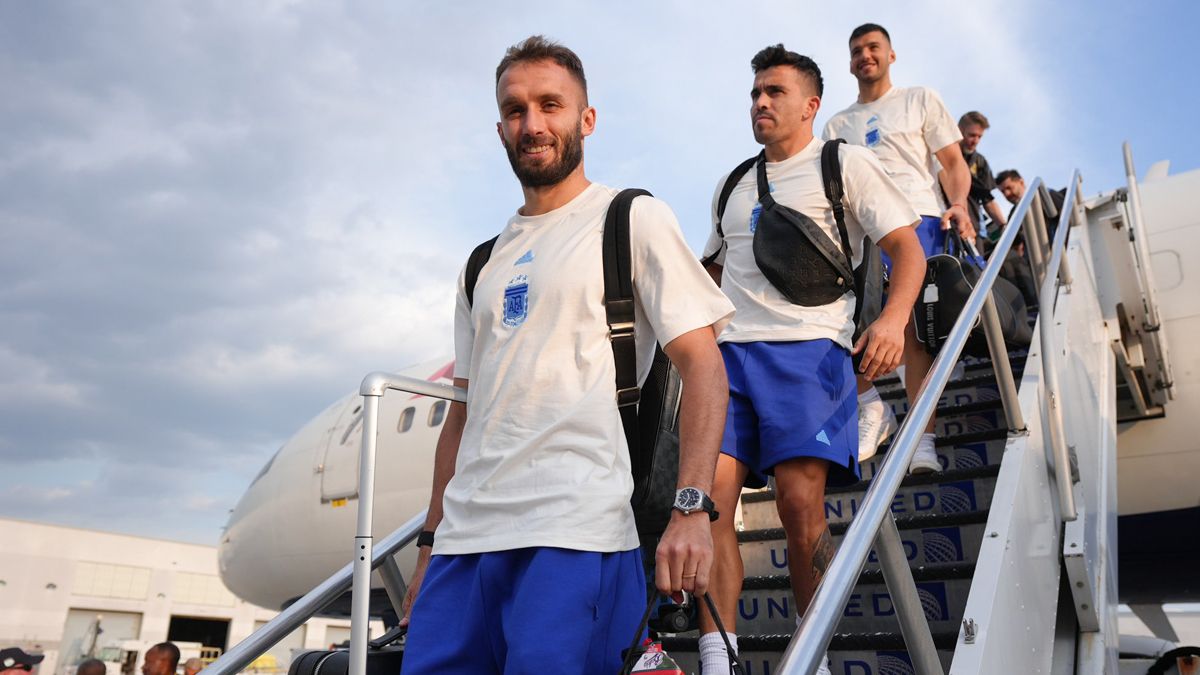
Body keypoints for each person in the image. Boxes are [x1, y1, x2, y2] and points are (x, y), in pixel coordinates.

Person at [398, 35, 735, 675]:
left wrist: (692, 508)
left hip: (576, 533)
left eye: (551, 105)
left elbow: (704, 368)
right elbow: (463, 416)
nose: (533, 124)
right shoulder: (481, 262)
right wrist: (428, 547)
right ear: (500, 127)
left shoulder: (630, 217)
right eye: (516, 109)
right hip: (464, 548)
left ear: (587, 119)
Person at [699, 45, 925, 675]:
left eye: (774, 92)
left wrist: (891, 318)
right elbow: (711, 271)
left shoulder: (843, 164)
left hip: (809, 355)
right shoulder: (733, 183)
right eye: (754, 93)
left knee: (801, 509)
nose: (761, 103)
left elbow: (906, 249)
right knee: (710, 503)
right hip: (729, 361)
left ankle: (813, 653)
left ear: (811, 105)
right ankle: (720, 658)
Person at [823, 22, 975, 473]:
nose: (864, 55)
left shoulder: (918, 99)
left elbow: (952, 162)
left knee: (912, 330)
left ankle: (921, 439)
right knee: (839, 323)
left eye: (873, 47)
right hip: (863, 232)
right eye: (856, 50)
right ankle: (874, 407)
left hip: (916, 218)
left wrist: (960, 204)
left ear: (891, 55)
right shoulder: (837, 124)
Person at [958, 111, 1007, 237]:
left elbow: (987, 199)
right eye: (972, 135)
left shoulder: (980, 162)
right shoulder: (943, 152)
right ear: (959, 130)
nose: (976, 141)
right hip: (941, 220)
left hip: (972, 227)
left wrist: (1004, 226)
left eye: (980, 137)